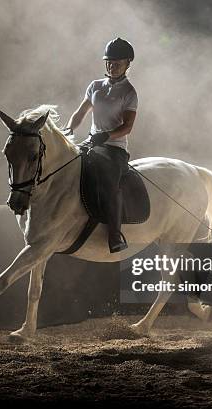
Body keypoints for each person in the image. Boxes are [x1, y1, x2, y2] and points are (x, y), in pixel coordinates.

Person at [64, 37, 138, 253]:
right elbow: (80, 113)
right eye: (109, 62)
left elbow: (127, 127)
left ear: (127, 64)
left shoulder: (129, 92)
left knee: (110, 185)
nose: (112, 67)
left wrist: (105, 137)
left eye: (117, 63)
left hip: (114, 149)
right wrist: (69, 129)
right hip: (91, 143)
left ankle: (115, 236)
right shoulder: (95, 86)